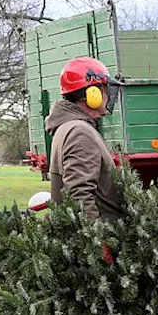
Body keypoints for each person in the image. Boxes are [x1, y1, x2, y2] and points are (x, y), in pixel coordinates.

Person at [47, 56, 125, 222]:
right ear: (91, 94)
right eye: (104, 89)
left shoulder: (69, 126)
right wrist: (99, 241)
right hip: (98, 238)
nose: (109, 96)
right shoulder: (79, 132)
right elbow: (79, 195)